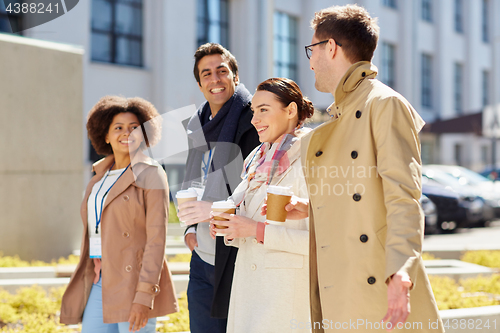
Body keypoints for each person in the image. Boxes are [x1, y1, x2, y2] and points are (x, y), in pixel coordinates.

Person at [285, 4, 444, 332]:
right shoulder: (343, 111)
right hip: (341, 284)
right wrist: (313, 208)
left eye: (311, 50)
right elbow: (359, 197)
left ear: (330, 48)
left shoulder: (384, 104)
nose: (310, 61)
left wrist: (400, 271)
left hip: (375, 289)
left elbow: (404, 196)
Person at [60, 96, 178, 332]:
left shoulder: (151, 173)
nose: (127, 133)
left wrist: (144, 296)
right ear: (105, 135)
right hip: (99, 278)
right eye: (119, 128)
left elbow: (157, 240)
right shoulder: (98, 177)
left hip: (134, 281)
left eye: (135, 128)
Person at [208, 78, 314, 333]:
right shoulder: (257, 158)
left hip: (285, 295)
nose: (254, 119)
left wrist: (255, 230)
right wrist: (229, 227)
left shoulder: (314, 156)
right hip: (249, 288)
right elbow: (246, 215)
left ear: (291, 110)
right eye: (253, 111)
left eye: (263, 109)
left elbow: (322, 243)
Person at [177, 43, 260, 333]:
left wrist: (212, 209)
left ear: (235, 76)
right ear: (200, 84)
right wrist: (189, 231)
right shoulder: (197, 124)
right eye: (207, 74)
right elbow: (191, 178)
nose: (215, 79)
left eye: (222, 71)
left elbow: (257, 192)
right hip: (201, 257)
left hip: (236, 256)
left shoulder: (253, 121)